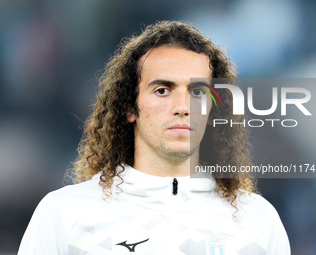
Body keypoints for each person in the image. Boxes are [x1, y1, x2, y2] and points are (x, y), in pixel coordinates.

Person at [18, 20, 290, 254]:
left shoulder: (258, 223)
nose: (183, 107)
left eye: (198, 93)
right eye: (163, 90)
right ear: (129, 107)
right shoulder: (64, 216)